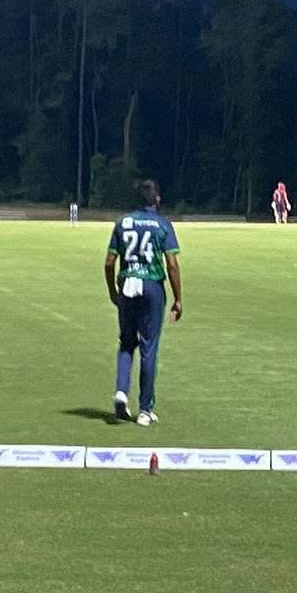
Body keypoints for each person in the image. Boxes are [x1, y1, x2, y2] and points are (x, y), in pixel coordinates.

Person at [104, 178, 183, 428]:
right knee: (149, 348)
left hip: (127, 285)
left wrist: (112, 291)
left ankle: (121, 391)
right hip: (151, 286)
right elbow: (171, 263)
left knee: (127, 342)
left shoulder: (123, 222)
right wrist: (178, 298)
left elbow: (109, 262)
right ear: (157, 200)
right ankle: (145, 410)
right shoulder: (162, 224)